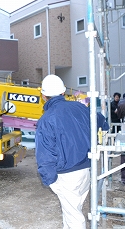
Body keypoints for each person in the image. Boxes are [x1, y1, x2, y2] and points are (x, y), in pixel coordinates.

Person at [35, 74, 91, 229]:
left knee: (74, 217)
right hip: (86, 170)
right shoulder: (80, 108)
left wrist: (49, 179)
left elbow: (45, 154)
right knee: (72, 210)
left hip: (67, 175)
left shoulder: (46, 119)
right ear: (63, 92)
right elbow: (100, 121)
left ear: (44, 96)